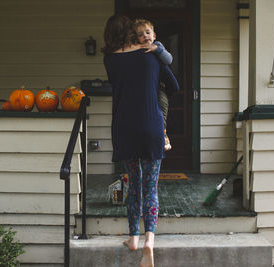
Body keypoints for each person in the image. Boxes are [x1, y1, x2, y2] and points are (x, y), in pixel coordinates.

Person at [102, 15, 180, 267]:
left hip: (125, 127)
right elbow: (174, 85)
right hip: (151, 126)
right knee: (151, 188)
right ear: (132, 32)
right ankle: (149, 241)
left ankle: (133, 238)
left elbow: (118, 86)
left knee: (133, 185)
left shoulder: (110, 59)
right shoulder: (151, 54)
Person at [135, 18, 173, 151]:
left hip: (160, 87)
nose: (145, 36)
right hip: (146, 88)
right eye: (140, 35)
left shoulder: (158, 45)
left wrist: (157, 50)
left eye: (147, 32)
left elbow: (169, 60)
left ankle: (164, 136)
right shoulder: (138, 50)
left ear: (154, 35)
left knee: (161, 111)